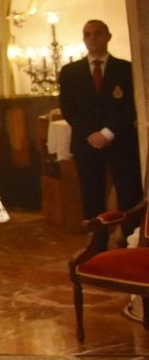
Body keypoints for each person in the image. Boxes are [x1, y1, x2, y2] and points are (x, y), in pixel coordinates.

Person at [58, 19, 143, 236]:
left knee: (129, 192)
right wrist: (90, 134)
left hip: (120, 140)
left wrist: (107, 133)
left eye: (97, 33)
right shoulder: (70, 72)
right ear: (83, 39)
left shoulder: (126, 69)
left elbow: (132, 105)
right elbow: (69, 108)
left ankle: (130, 238)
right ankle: (97, 242)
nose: (92, 38)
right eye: (87, 34)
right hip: (87, 143)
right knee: (91, 193)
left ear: (108, 36)